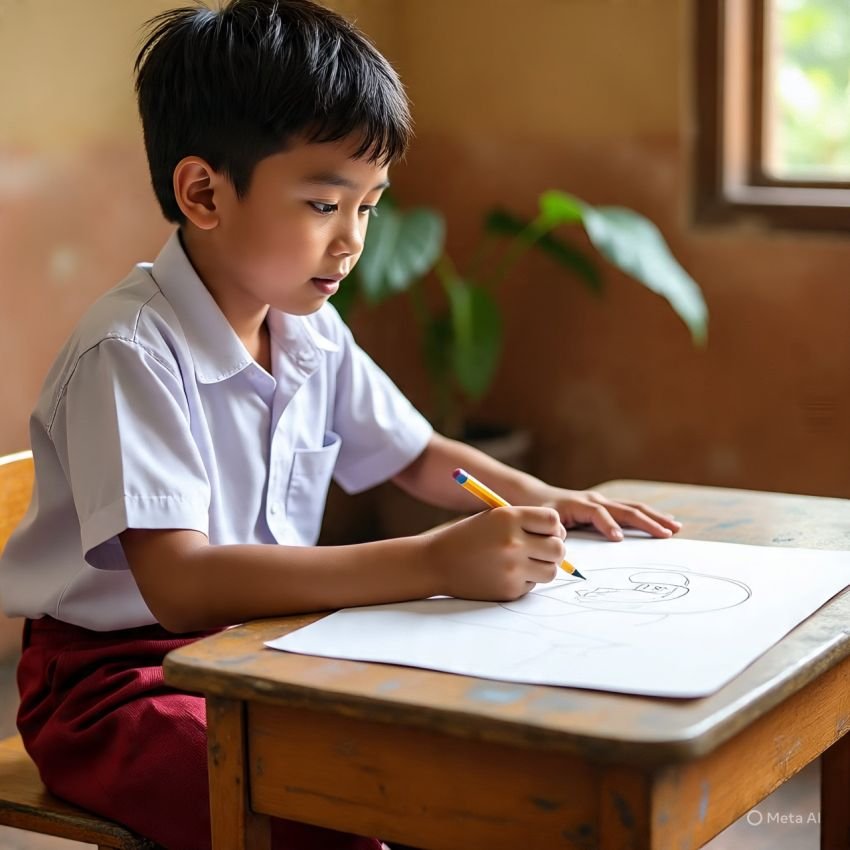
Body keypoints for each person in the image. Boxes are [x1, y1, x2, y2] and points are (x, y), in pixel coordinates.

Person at [0, 2, 681, 847]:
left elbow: (419, 455)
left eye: (370, 206)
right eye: (326, 203)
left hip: (262, 647)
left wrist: (540, 494)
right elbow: (177, 582)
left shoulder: (307, 329)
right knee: (328, 806)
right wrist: (430, 561)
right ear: (205, 193)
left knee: (448, 756)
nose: (354, 240)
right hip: (119, 684)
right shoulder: (131, 352)